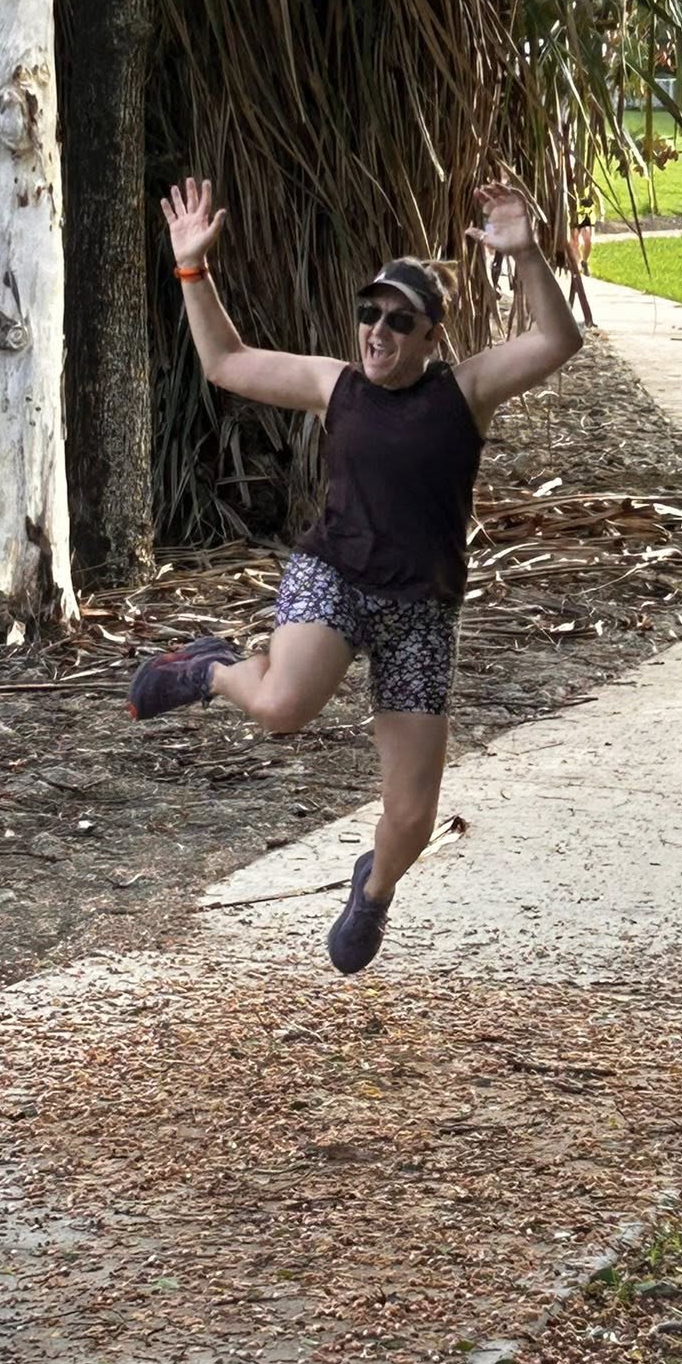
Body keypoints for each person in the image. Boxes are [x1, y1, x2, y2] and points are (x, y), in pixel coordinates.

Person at [127, 175, 584, 975]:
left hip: (420, 612)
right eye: (369, 313)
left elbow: (557, 343)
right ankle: (211, 668)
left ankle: (371, 890)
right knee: (280, 706)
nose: (377, 330)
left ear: (431, 336)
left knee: (411, 819)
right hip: (335, 575)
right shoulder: (333, 385)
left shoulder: (464, 392)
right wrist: (193, 271)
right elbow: (225, 361)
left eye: (398, 320)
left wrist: (527, 256)